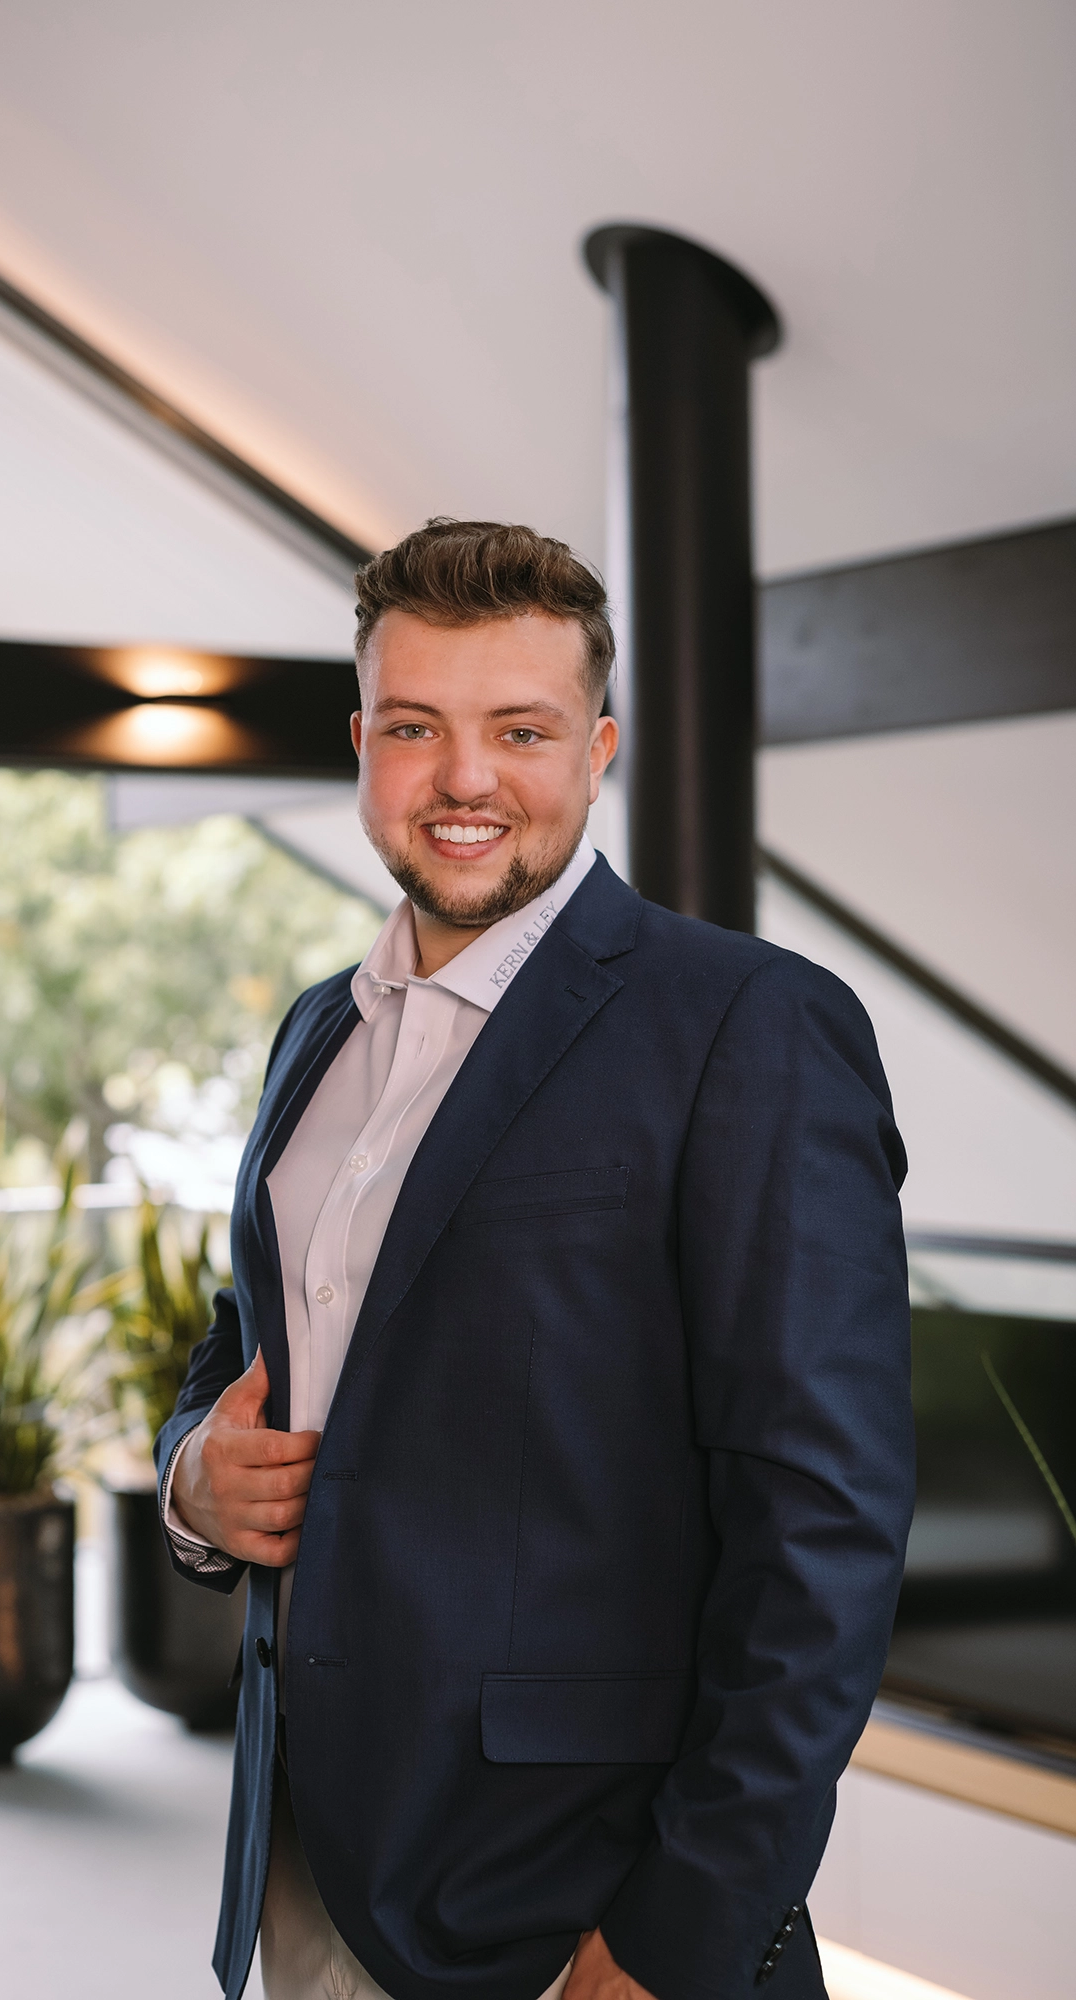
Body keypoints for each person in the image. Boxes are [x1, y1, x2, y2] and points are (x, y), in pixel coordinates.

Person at [154, 519, 915, 2000]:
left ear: (597, 749)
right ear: (361, 742)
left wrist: (680, 1934)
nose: (465, 779)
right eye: (415, 727)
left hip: (576, 1902)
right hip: (307, 1866)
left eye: (521, 730)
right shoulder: (317, 1029)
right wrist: (195, 1479)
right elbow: (251, 1341)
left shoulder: (749, 1024)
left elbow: (824, 1530)